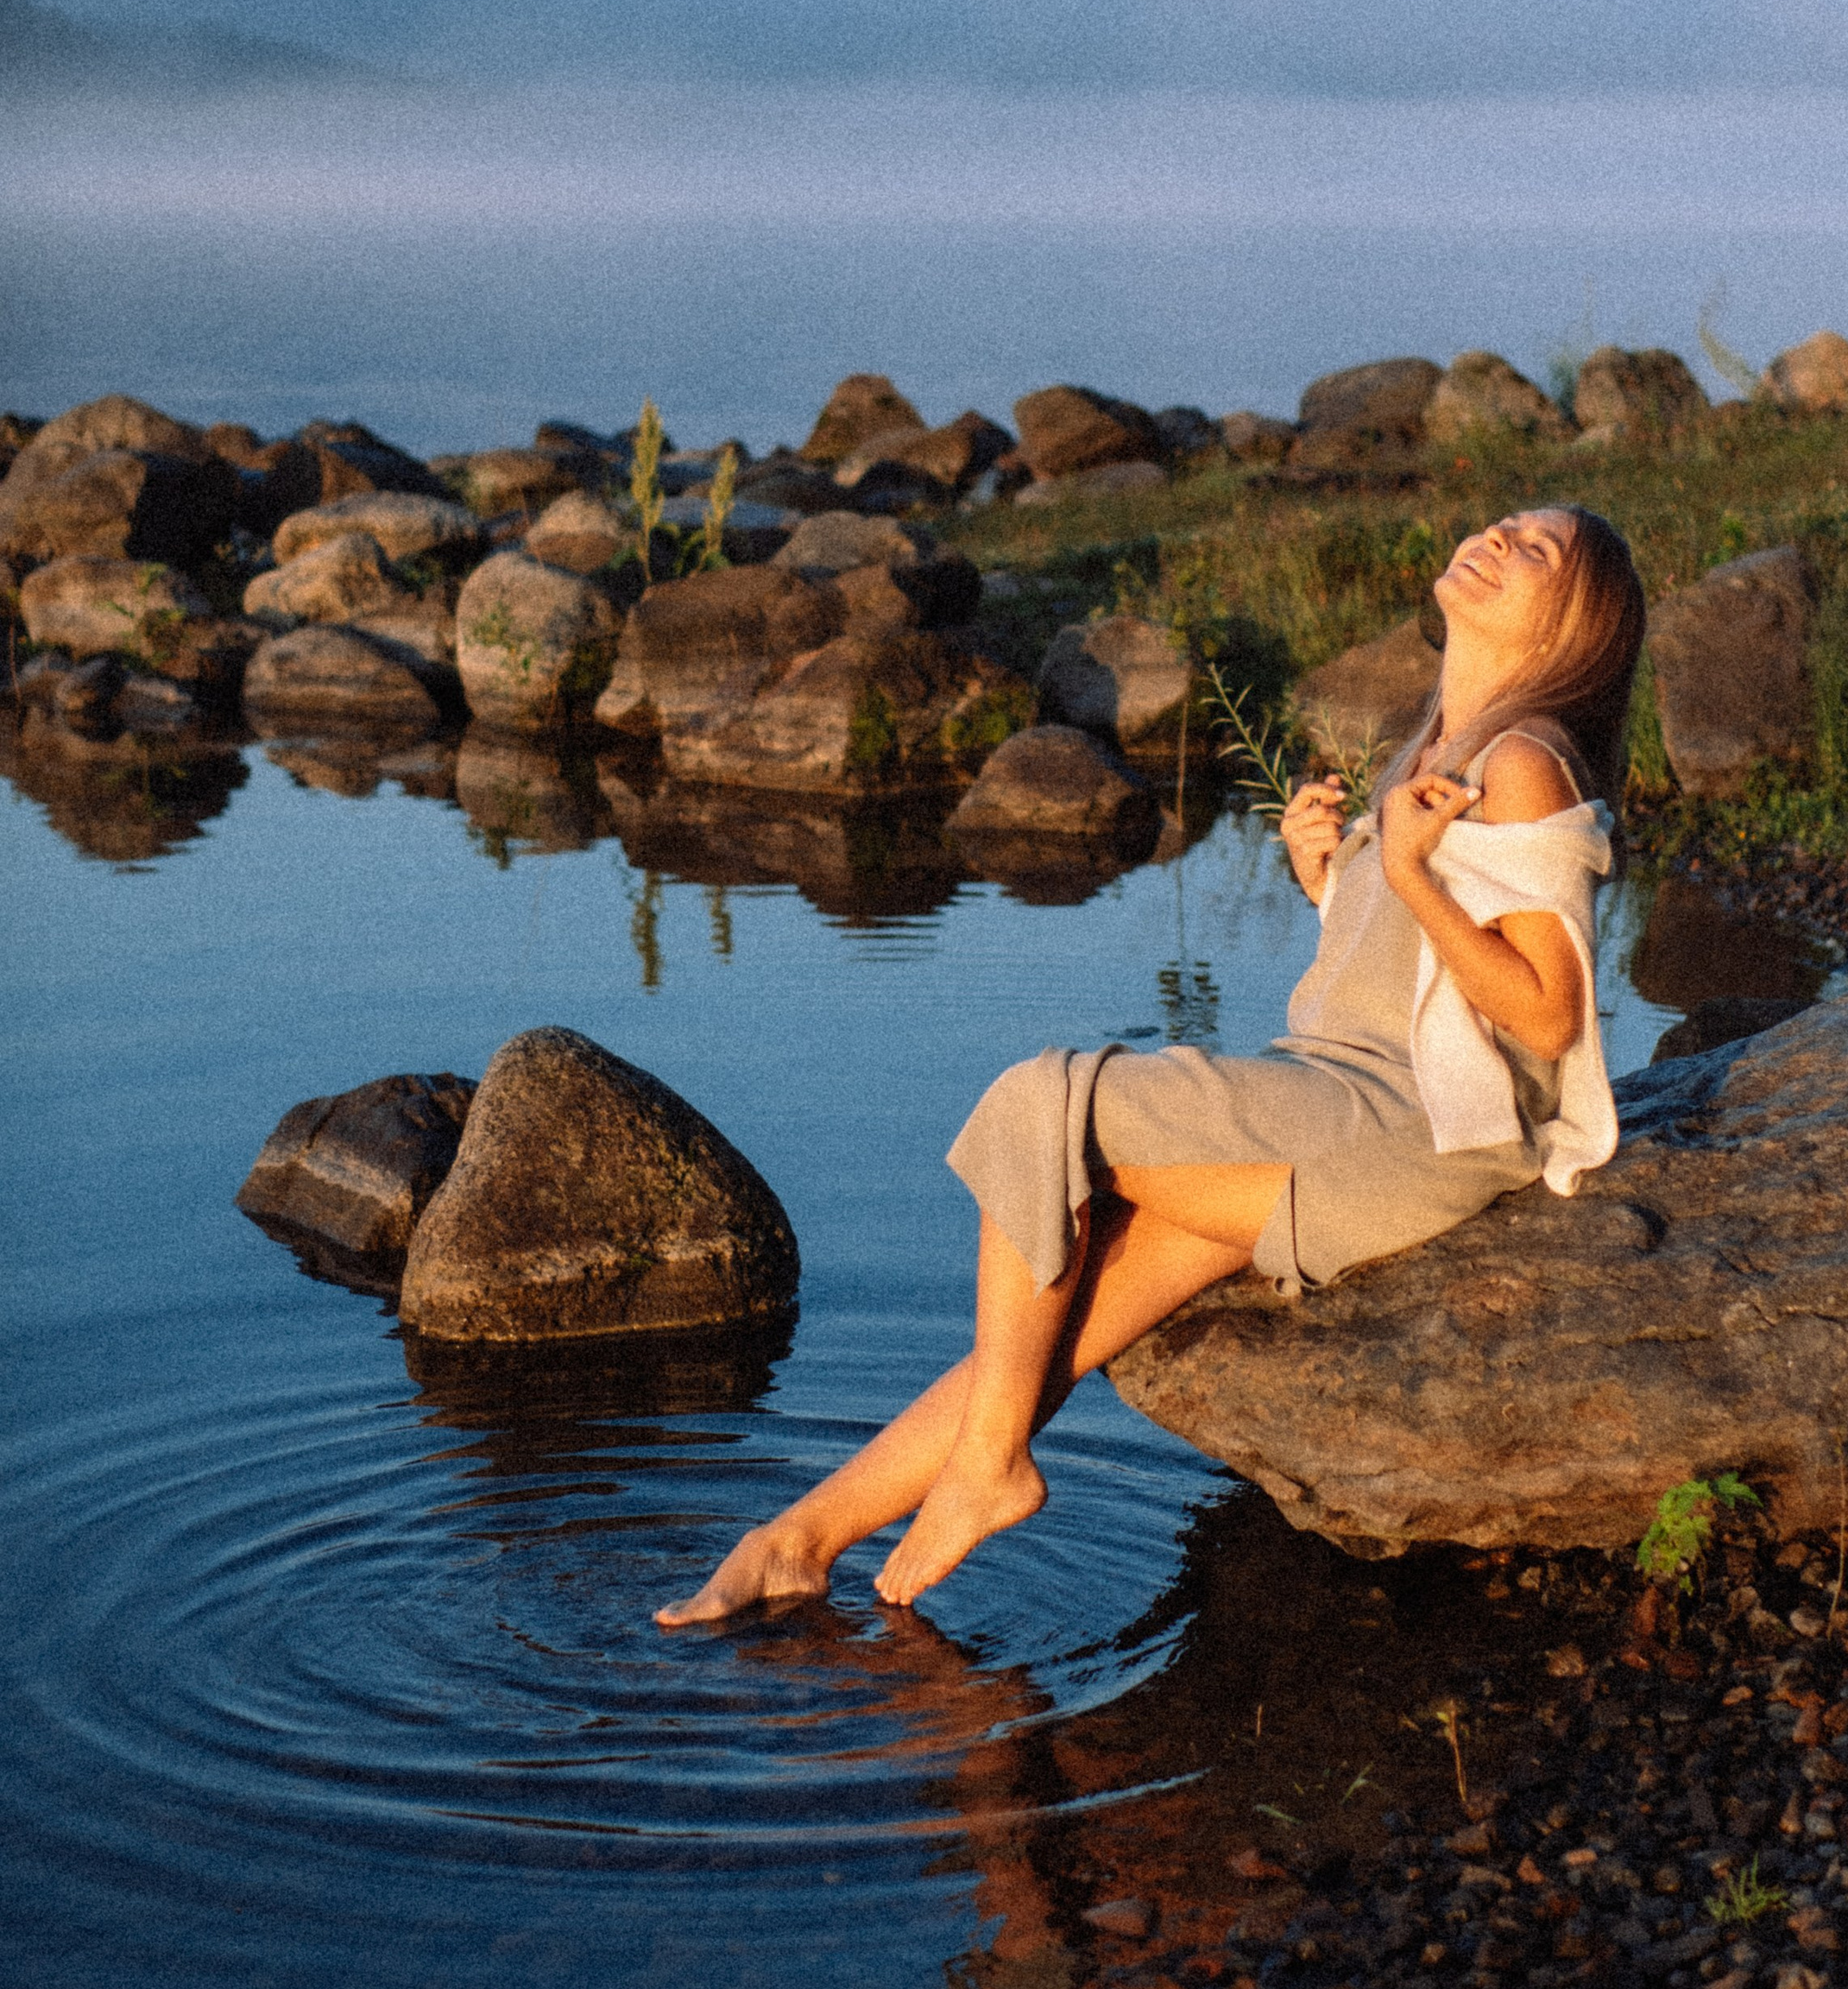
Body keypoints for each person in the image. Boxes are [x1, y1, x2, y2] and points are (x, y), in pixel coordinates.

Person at [658, 503, 1645, 1626]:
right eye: (1503, 524)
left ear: (1575, 624)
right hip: (1337, 1093)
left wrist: (1409, 873)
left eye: (1535, 552)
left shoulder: (1525, 765)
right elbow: (1417, 980)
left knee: (1043, 1104)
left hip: (1408, 1132)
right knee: (1065, 1304)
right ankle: (794, 1540)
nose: (1496, 540)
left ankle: (990, 1468)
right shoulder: (1433, 738)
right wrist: (1336, 886)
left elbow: (1552, 1020)